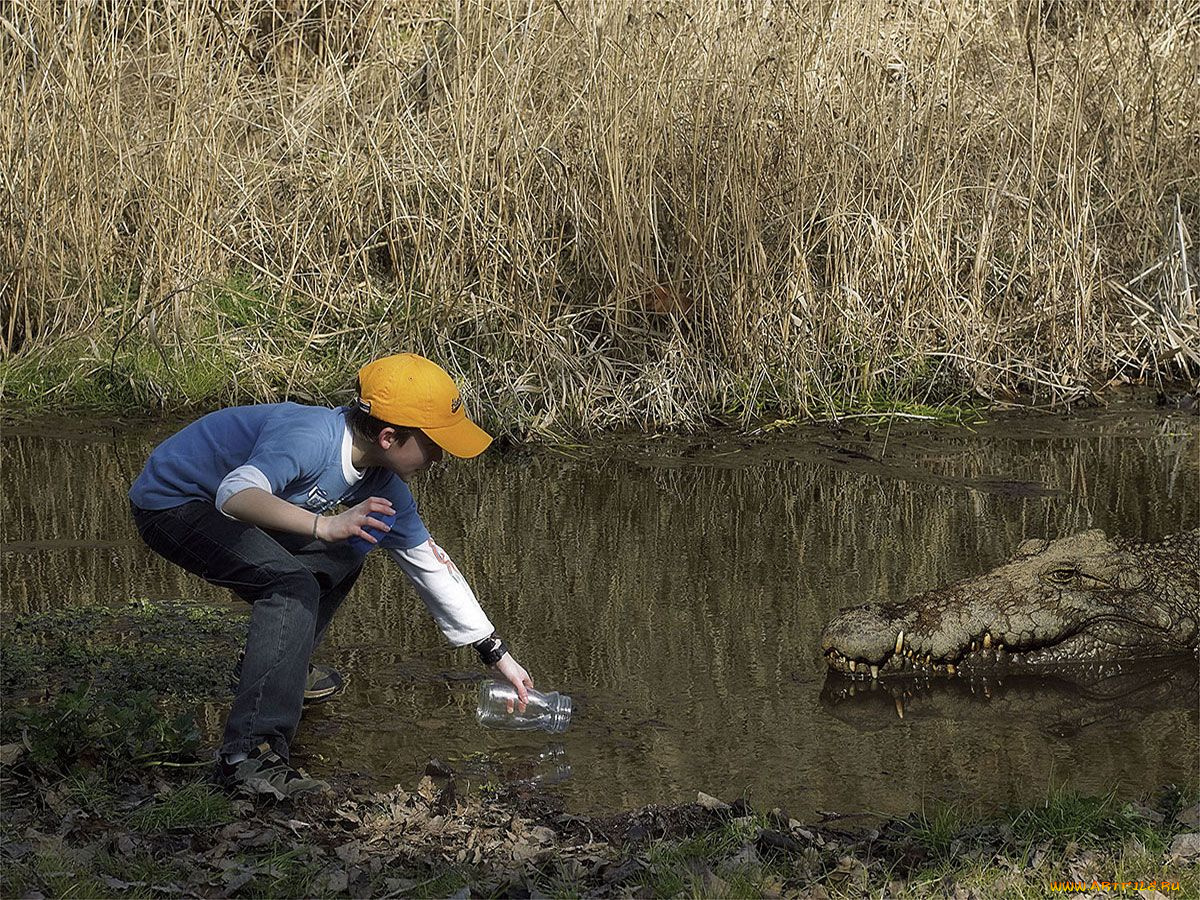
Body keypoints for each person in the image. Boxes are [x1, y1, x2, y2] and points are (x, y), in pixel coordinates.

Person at [128, 353, 533, 797]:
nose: (440, 458)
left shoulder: (381, 481)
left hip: (229, 506)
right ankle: (249, 759)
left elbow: (428, 562)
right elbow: (235, 492)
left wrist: (495, 653)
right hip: (173, 503)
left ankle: (282, 667)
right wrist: (324, 525)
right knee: (290, 582)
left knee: (348, 552)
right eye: (434, 444)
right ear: (389, 436)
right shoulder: (309, 438)